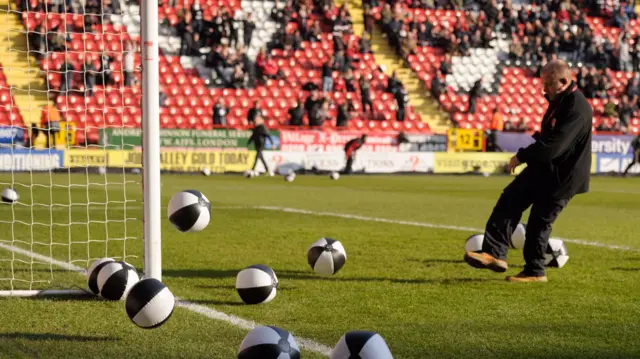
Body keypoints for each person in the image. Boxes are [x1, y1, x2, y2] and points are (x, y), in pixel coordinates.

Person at [464, 59, 593, 283]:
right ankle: (494, 253)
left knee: (539, 222)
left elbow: (553, 147)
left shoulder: (576, 107)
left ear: (563, 81)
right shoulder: (561, 101)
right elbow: (548, 140)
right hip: (545, 169)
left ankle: (535, 271)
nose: (544, 89)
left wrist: (522, 156)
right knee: (510, 200)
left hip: (562, 177)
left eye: (548, 83)